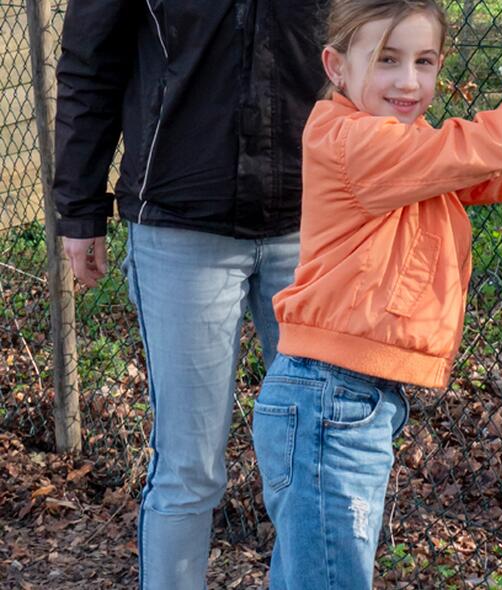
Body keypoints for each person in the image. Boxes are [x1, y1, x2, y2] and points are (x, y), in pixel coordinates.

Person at [251, 0, 502, 586]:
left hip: (345, 401)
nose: (409, 81)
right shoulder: (351, 143)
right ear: (336, 66)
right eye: (387, 60)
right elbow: (486, 145)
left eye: (424, 61)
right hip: (329, 402)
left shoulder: (405, 153)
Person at [51, 0, 327, 587]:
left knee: (317, 465)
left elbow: (381, 43)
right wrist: (78, 207)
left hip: (319, 222)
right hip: (180, 221)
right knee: (188, 469)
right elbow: (89, 61)